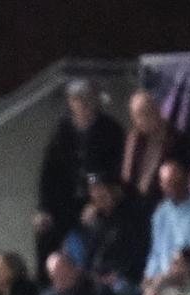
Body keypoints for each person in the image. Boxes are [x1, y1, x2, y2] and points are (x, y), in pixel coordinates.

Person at [35, 79, 125, 266]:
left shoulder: (110, 130)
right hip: (65, 200)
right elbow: (49, 173)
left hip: (96, 199)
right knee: (45, 231)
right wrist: (44, 209)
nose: (82, 104)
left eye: (86, 99)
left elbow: (109, 171)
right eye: (77, 99)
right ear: (70, 102)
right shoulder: (62, 131)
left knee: (96, 230)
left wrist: (95, 199)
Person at [121, 90, 187, 206]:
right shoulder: (135, 139)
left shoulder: (175, 139)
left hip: (163, 202)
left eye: (144, 113)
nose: (140, 121)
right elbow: (126, 176)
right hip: (135, 201)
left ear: (156, 110)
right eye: (136, 116)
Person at [145, 161, 190, 281]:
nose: (170, 187)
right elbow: (156, 250)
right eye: (166, 183)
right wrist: (149, 275)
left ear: (185, 180)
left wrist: (171, 275)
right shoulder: (161, 212)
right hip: (159, 277)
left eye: (175, 182)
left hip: (184, 278)